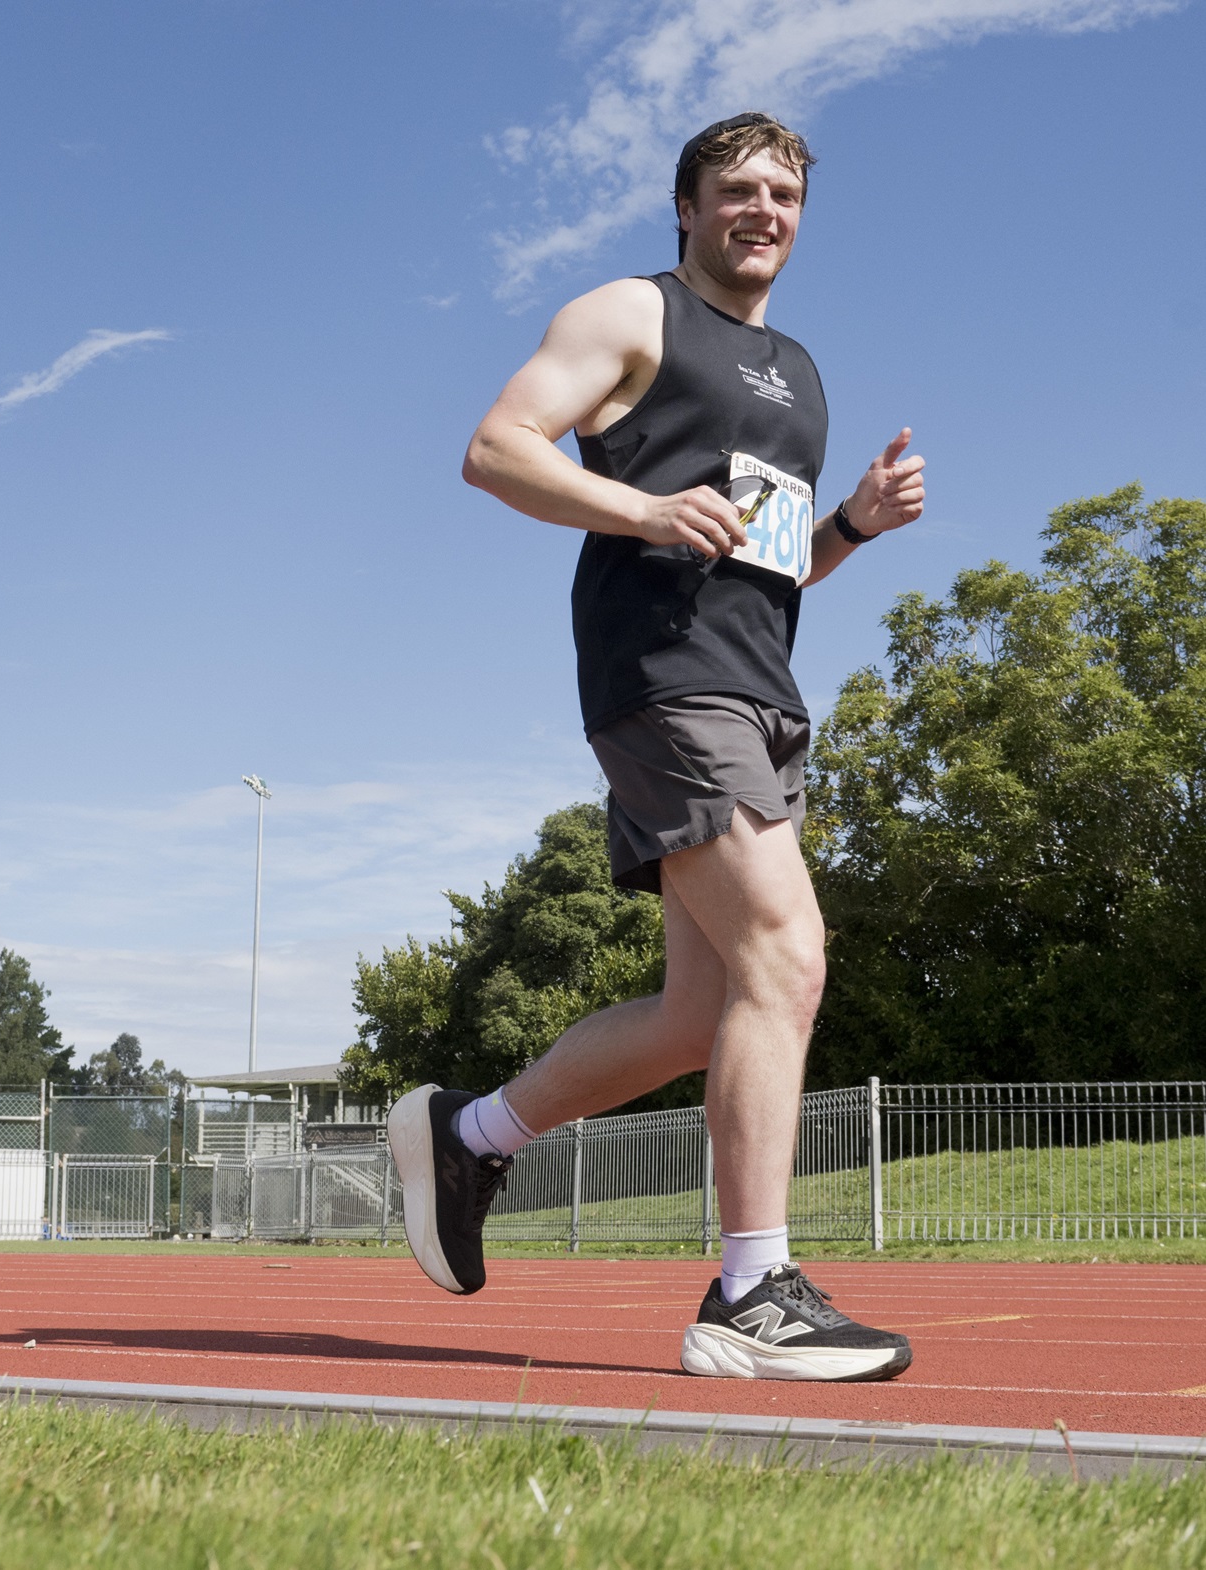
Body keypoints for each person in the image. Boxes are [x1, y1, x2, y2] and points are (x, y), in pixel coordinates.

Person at [388, 112, 924, 1382]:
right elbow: (494, 448)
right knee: (789, 957)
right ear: (686, 207)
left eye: (784, 192)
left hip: (760, 685)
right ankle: (750, 1292)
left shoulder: (797, 370)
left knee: (704, 1009)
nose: (763, 208)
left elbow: (772, 561)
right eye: (736, 188)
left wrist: (848, 522)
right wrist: (638, 504)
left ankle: (470, 1134)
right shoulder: (632, 312)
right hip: (665, 680)